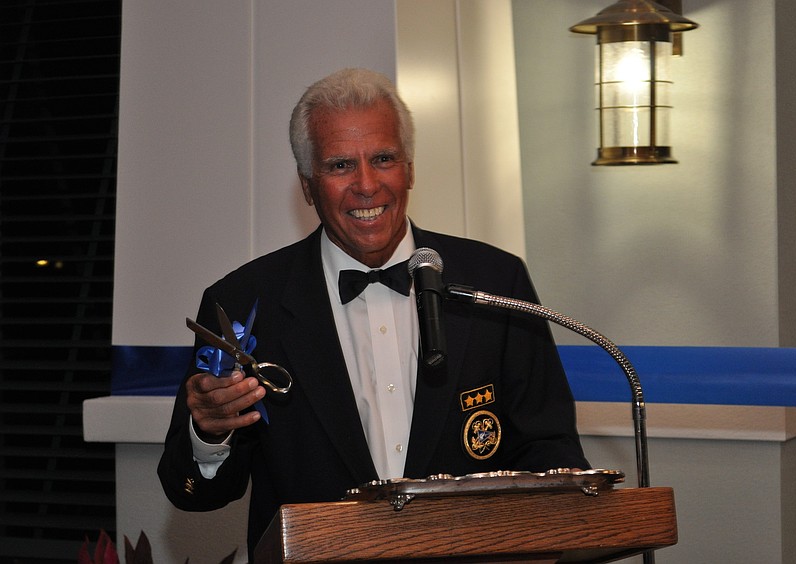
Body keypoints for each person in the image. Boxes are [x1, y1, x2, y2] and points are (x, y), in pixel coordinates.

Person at [158, 67, 589, 558]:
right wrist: (210, 432)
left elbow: (550, 448)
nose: (366, 185)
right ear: (307, 185)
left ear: (410, 169)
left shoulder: (495, 280)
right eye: (340, 165)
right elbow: (193, 492)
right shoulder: (242, 301)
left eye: (383, 159)